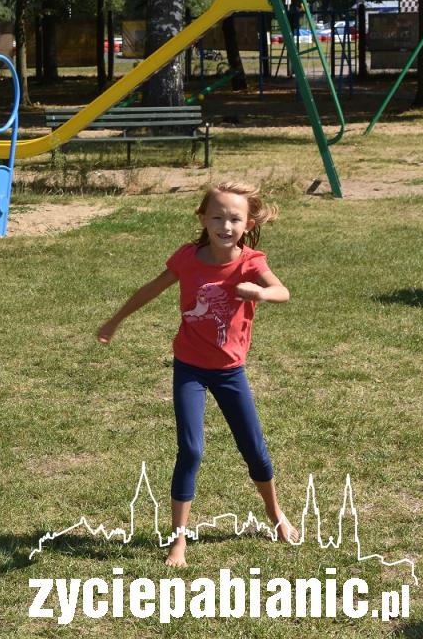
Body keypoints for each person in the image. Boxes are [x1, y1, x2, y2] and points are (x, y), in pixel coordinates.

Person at [96, 181, 298, 568]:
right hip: (189, 367)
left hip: (229, 372)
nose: (226, 225)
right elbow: (151, 288)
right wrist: (115, 320)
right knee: (191, 450)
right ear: (203, 219)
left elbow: (283, 292)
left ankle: (276, 515)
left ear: (247, 222)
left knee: (253, 448)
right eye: (217, 217)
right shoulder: (188, 258)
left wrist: (258, 294)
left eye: (235, 218)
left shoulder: (250, 262)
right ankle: (178, 542)